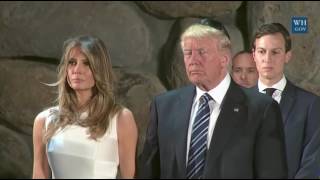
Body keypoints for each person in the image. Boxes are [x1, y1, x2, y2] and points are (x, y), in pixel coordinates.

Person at [138, 21, 288, 178]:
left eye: (202, 52)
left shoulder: (261, 110)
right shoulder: (164, 107)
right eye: (188, 52)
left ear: (224, 59)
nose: (193, 60)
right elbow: (147, 172)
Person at [32, 35, 138, 179]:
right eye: (72, 62)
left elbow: (130, 176)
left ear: (99, 69)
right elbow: (39, 174)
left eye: (86, 63)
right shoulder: (44, 120)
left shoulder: (121, 118)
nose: (77, 70)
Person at [252, 22, 320, 179]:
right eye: (262, 51)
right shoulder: (236, 102)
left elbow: (314, 162)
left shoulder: (310, 105)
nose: (267, 59)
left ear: (287, 56)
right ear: (254, 55)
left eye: (275, 52)